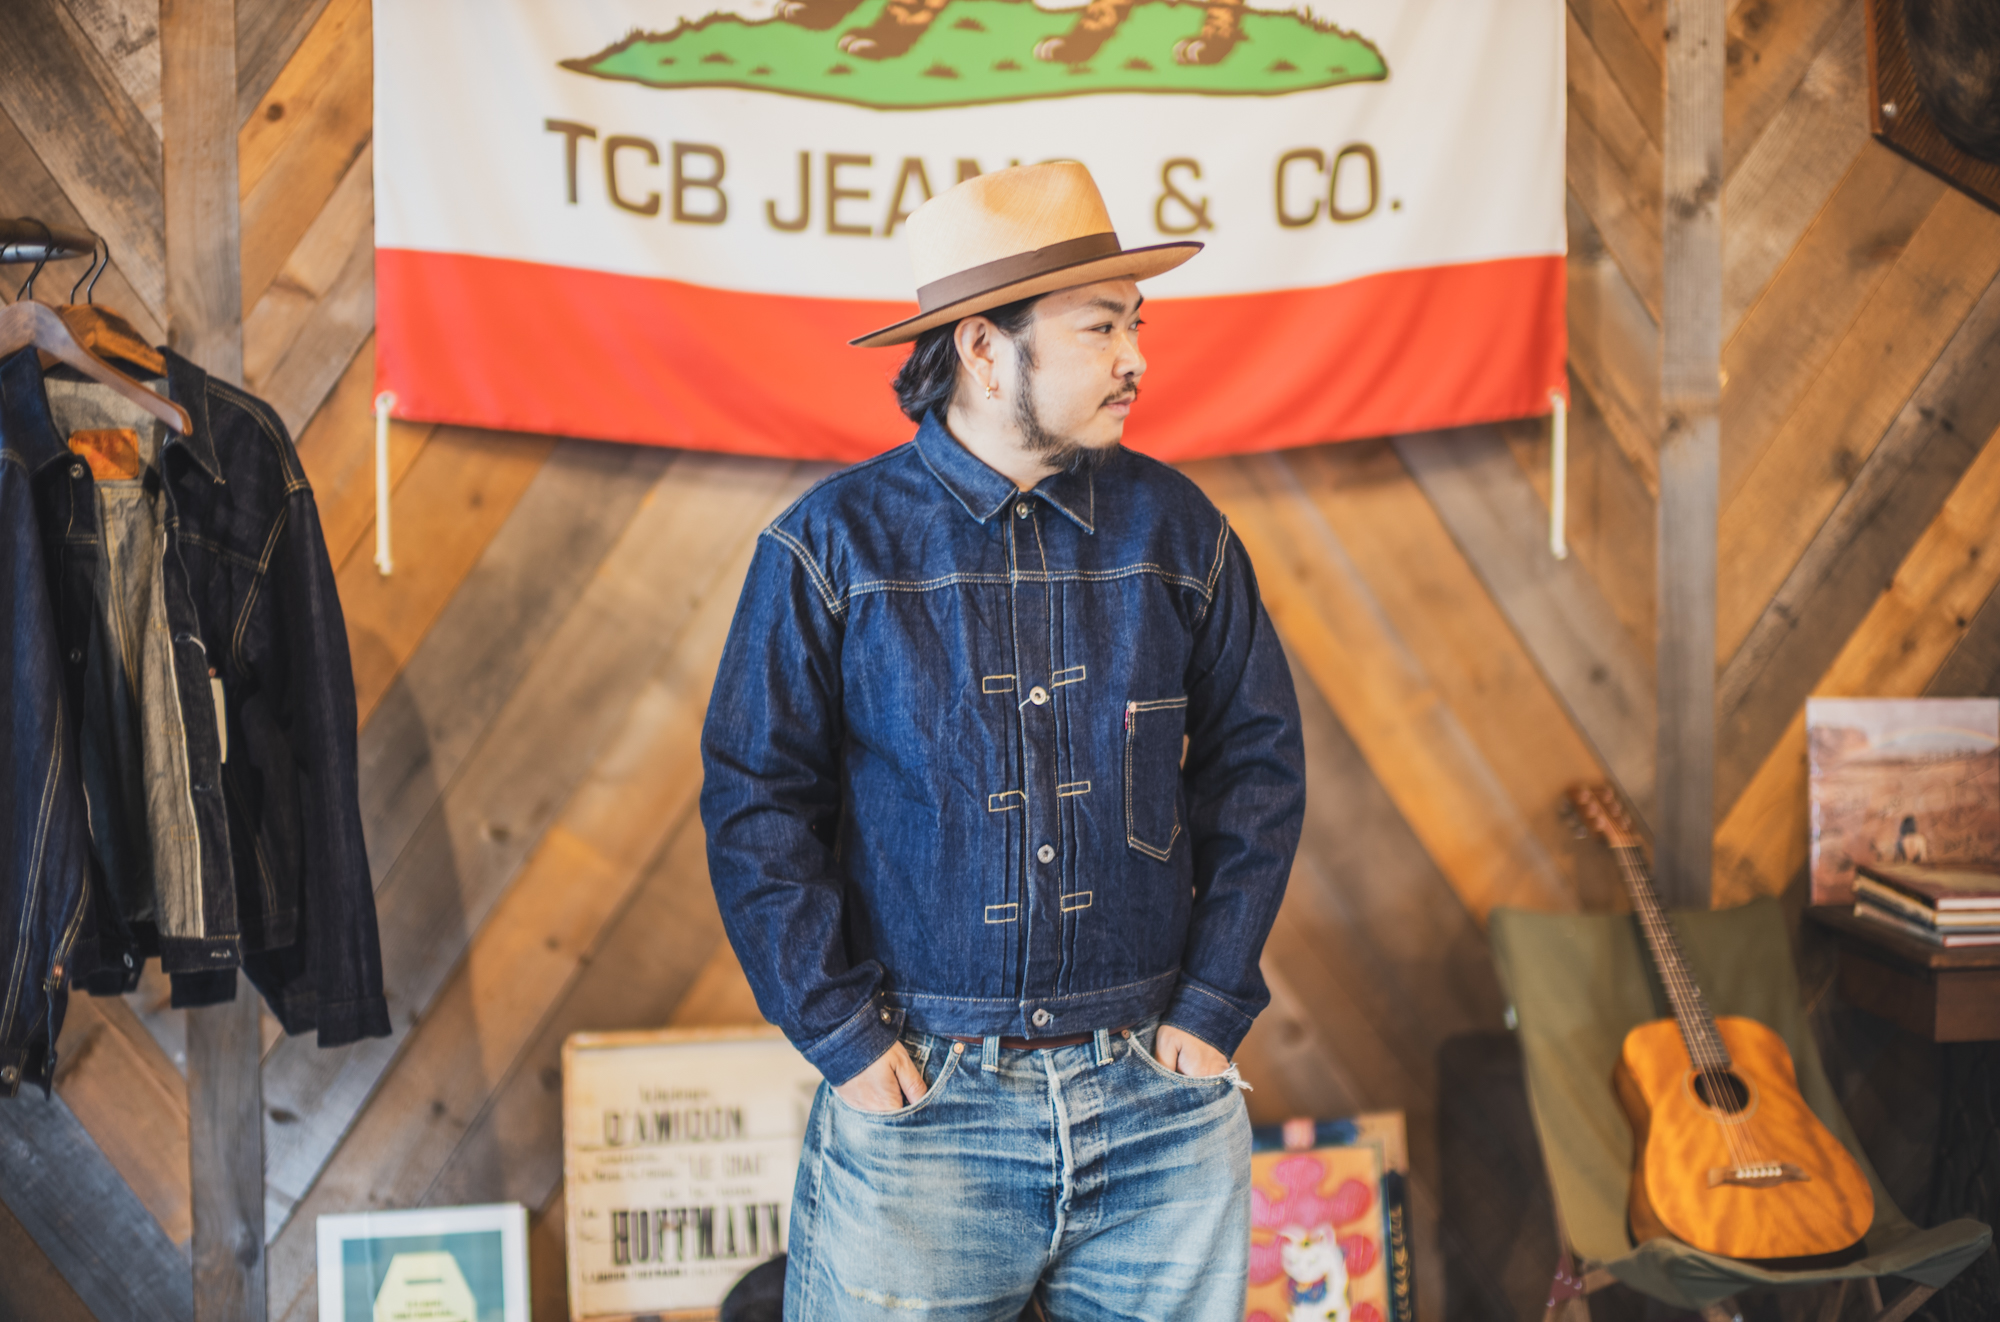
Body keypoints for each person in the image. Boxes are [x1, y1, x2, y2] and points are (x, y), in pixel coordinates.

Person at [700, 161, 1307, 1321]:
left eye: (1135, 324)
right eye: (1099, 327)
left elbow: (1257, 766)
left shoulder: (1180, 532)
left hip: (1157, 1099)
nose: (1134, 358)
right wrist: (838, 1032)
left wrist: (1210, 1004)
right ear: (984, 349)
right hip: (926, 1104)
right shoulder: (829, 548)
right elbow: (754, 800)